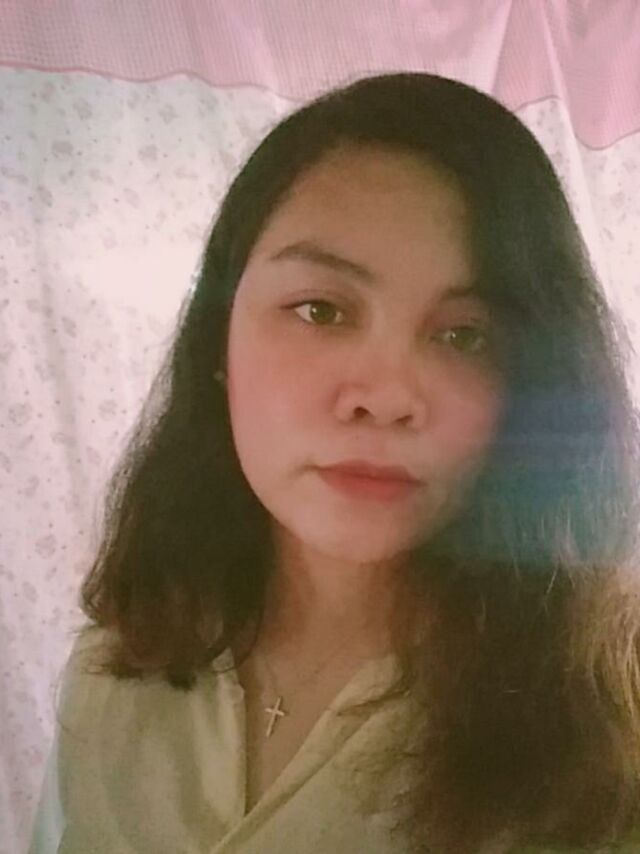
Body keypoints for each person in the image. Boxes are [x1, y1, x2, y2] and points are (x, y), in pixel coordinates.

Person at [29, 72, 640, 853]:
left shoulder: (605, 724)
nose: (386, 397)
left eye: (464, 335)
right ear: (218, 342)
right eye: (321, 309)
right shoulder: (116, 665)